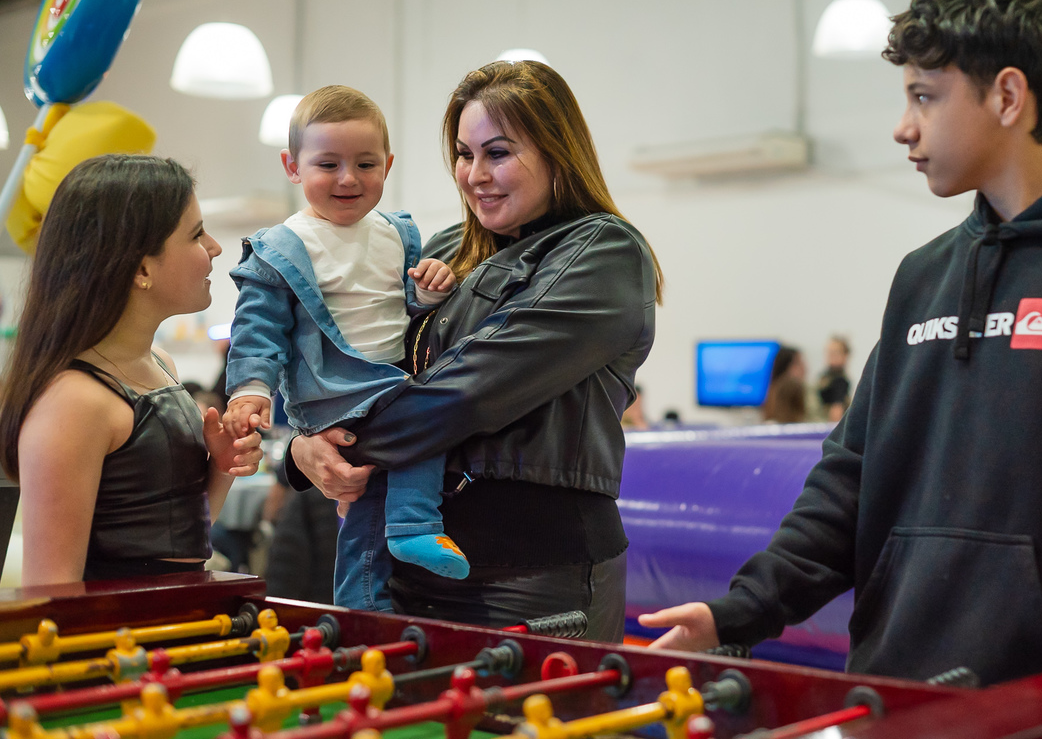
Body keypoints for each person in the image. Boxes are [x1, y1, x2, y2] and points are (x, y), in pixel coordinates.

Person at [639, 0, 1042, 735]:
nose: (903, 127)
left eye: (924, 96)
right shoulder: (923, 277)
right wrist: (739, 609)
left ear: (1007, 96)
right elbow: (850, 479)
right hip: (899, 686)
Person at [285, 60, 663, 640]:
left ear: (558, 151)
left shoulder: (602, 251)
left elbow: (471, 391)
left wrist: (333, 447)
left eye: (499, 153)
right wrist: (305, 442)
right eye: (464, 154)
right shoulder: (446, 251)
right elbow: (365, 358)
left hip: (533, 571)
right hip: (411, 560)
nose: (475, 175)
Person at [222, 85, 465, 611]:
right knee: (433, 412)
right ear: (292, 166)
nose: (348, 178)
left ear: (388, 164)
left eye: (365, 163)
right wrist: (250, 388)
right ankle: (415, 522)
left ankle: (363, 608)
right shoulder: (283, 246)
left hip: (388, 377)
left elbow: (407, 312)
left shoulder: (398, 233)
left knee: (363, 507)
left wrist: (426, 289)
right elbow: (257, 326)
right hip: (334, 386)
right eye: (327, 164)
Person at [0, 154, 263, 585]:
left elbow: (177, 542)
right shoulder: (74, 401)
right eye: (197, 234)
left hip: (174, 624)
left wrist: (222, 465)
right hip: (122, 641)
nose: (214, 248)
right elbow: (50, 590)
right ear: (142, 268)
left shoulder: (161, 363)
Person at [760, 345, 807, 423]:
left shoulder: (772, 389)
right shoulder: (789, 387)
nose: (804, 367)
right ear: (786, 366)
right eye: (799, 363)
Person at [815, 335, 851, 421]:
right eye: (829, 352)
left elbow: (836, 410)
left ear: (845, 355)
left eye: (836, 352)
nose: (831, 356)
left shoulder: (840, 381)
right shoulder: (824, 377)